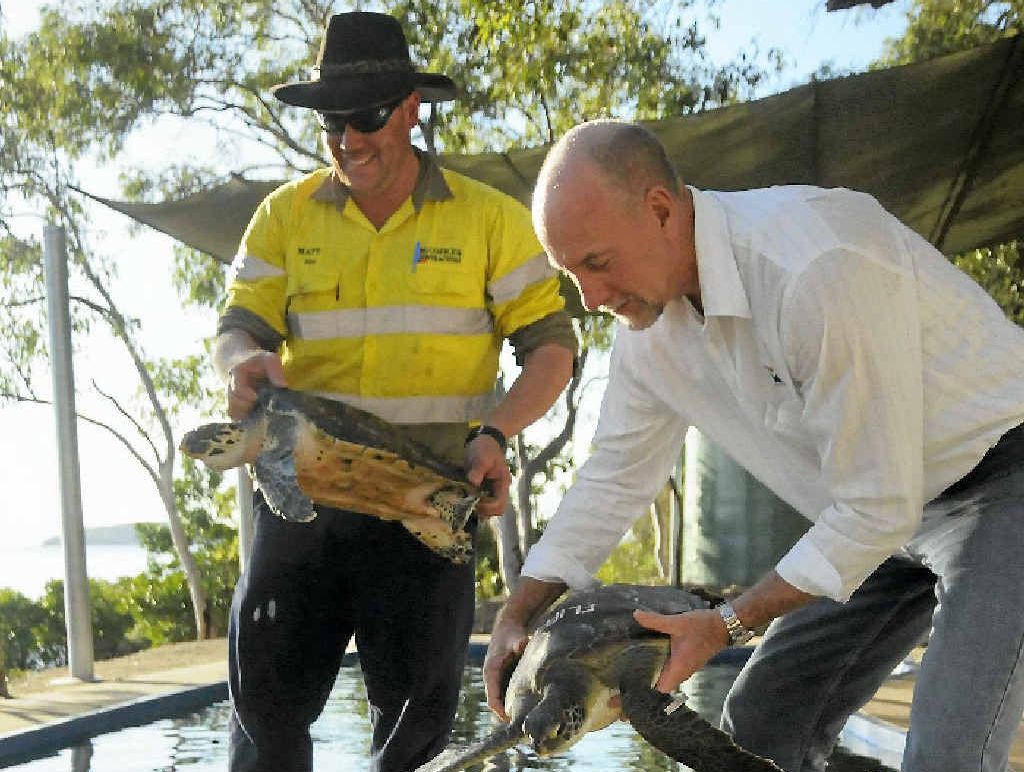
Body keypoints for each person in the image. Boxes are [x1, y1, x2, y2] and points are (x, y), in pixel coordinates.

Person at [484, 119, 1024, 772]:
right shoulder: (648, 336)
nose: (592, 299)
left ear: (659, 209)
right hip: (876, 515)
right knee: (758, 724)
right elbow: (612, 481)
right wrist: (516, 615)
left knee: (948, 756)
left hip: (1002, 480)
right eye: (572, 277)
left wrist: (727, 625)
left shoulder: (812, 268)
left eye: (597, 263)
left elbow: (878, 504)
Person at [212, 12, 576, 772]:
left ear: (413, 108)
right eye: (330, 121)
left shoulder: (491, 222)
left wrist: (497, 435)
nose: (347, 138)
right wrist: (239, 362)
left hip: (428, 512)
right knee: (264, 723)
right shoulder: (282, 217)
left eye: (367, 116)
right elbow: (238, 331)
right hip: (298, 508)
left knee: (414, 740)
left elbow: (552, 350)